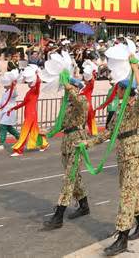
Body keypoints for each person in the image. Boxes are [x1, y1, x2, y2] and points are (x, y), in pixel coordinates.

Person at [85, 57, 139, 255]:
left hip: (134, 153)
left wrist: (136, 72)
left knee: (126, 194)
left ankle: (122, 237)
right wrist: (87, 144)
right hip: (123, 154)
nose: (117, 91)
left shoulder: (136, 106)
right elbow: (109, 133)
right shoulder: (120, 109)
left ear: (125, 90)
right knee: (131, 190)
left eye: (119, 88)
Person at [43, 79, 90, 230]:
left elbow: (78, 101)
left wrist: (68, 86)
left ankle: (58, 216)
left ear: (76, 88)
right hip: (67, 143)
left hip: (77, 143)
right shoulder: (68, 106)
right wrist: (47, 132)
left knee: (69, 178)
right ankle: (84, 205)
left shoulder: (82, 100)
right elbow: (61, 124)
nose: (66, 91)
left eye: (69, 88)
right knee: (74, 177)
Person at [9, 69, 49, 156]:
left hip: (31, 115)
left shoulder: (35, 91)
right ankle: (44, 144)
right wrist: (13, 108)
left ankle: (18, 150)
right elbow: (24, 103)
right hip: (30, 114)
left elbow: (38, 83)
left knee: (24, 132)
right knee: (34, 130)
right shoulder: (29, 92)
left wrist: (37, 74)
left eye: (30, 81)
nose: (28, 83)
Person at [0, 71, 21, 151]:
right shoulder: (5, 92)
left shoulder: (12, 91)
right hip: (5, 111)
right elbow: (2, 101)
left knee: (3, 126)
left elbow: (15, 93)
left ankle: (1, 144)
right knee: (9, 127)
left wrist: (14, 85)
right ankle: (20, 138)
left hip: (9, 111)